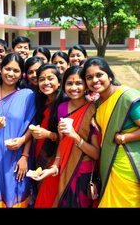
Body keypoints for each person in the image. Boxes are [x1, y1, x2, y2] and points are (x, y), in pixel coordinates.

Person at [32, 66, 100, 208]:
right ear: (63, 86)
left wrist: (75, 136)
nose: (73, 88)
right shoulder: (62, 107)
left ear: (86, 86)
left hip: (83, 172)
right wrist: (53, 168)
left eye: (78, 83)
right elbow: (62, 145)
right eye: (69, 83)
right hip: (62, 171)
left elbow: (95, 153)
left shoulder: (93, 109)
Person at [81, 57, 140, 207]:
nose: (95, 80)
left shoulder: (126, 97)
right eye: (89, 77)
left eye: (99, 75)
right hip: (108, 166)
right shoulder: (97, 103)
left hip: (128, 166)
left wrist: (124, 137)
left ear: (109, 76)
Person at [0, 53, 36, 207]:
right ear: (1, 69)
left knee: (15, 189)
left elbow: (32, 127)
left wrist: (25, 154)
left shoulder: (28, 95)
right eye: (7, 69)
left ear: (21, 74)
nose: (11, 74)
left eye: (16, 70)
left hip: (18, 155)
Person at [31, 64, 64, 176]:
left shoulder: (65, 103)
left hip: (56, 157)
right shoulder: (39, 101)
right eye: (42, 79)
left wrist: (48, 134)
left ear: (59, 82)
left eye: (50, 78)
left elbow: (69, 137)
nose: (46, 82)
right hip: (39, 151)